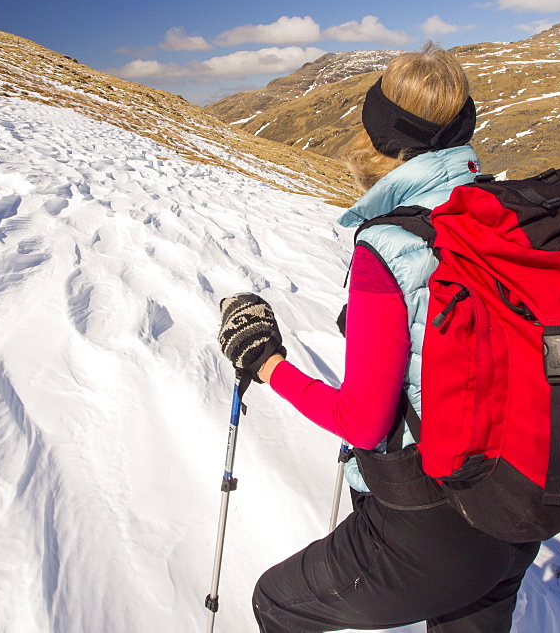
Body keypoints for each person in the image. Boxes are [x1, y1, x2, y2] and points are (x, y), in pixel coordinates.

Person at [217, 44, 540, 633]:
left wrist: (268, 365)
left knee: (280, 604)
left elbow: (364, 421)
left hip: (431, 518)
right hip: (518, 506)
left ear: (378, 131)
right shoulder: (501, 214)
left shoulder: (388, 249)